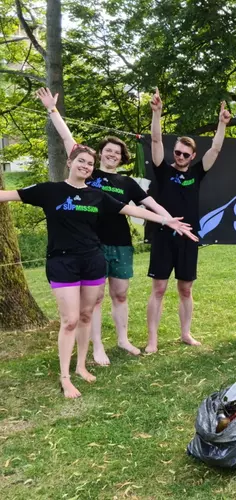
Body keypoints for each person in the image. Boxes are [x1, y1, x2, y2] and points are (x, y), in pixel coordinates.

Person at [0, 145, 194, 398]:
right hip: (62, 263)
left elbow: (132, 209)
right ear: (70, 162)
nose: (85, 166)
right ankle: (65, 377)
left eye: (89, 164)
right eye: (81, 161)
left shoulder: (97, 195)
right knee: (69, 320)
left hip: (92, 260)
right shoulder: (49, 191)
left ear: (93, 169)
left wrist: (166, 220)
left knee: (86, 315)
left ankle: (81, 365)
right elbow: (7, 194)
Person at [35, 88, 196, 366]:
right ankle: (97, 347)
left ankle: (122, 339)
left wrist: (170, 220)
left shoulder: (128, 183)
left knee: (120, 294)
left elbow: (149, 204)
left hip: (121, 244)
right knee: (95, 298)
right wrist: (52, 109)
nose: (112, 155)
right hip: (91, 245)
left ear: (122, 159)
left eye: (117, 153)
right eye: (107, 151)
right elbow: (66, 138)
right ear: (99, 155)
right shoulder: (88, 171)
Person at [146, 88, 231, 353]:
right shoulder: (161, 170)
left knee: (185, 289)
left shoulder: (196, 172)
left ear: (192, 156)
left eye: (185, 154)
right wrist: (157, 113)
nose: (180, 157)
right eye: (178, 152)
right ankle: (152, 340)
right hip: (163, 235)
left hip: (189, 238)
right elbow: (157, 141)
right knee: (159, 288)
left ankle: (185, 333)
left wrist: (222, 123)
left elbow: (215, 148)